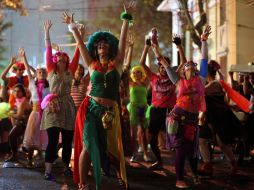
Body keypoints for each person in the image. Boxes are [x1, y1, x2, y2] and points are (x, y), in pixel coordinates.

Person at [63, 1, 135, 189]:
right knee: (88, 145)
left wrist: (126, 18)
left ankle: (121, 177)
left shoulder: (117, 63)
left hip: (110, 111)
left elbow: (123, 38)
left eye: (105, 44)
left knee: (113, 146)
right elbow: (79, 43)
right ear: (96, 49)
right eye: (99, 45)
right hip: (91, 110)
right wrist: (73, 28)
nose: (102, 46)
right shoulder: (91, 64)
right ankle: (83, 183)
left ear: (110, 47)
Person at [156, 26, 211, 188]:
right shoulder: (179, 82)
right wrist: (154, 48)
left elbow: (204, 59)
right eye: (188, 66)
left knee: (192, 152)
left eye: (193, 66)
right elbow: (165, 64)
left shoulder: (200, 80)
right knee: (180, 150)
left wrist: (204, 41)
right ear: (184, 72)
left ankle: (194, 173)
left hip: (193, 120)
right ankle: (179, 179)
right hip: (177, 118)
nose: (191, 67)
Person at [40, 20, 80, 181]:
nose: (61, 61)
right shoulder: (51, 70)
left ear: (67, 61)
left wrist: (79, 36)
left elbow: (78, 52)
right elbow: (48, 51)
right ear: (56, 61)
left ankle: (66, 168)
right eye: (59, 59)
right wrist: (47, 32)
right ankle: (48, 171)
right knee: (53, 140)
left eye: (64, 59)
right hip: (53, 106)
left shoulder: (71, 71)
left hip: (68, 107)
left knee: (68, 140)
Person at [140, 35, 176, 170]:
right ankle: (160, 161)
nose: (162, 68)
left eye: (164, 66)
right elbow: (142, 64)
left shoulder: (174, 78)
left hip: (169, 112)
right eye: (160, 66)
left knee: (175, 140)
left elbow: (183, 63)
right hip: (155, 111)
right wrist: (146, 47)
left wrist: (179, 47)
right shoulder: (153, 77)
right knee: (151, 139)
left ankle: (181, 166)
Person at [20, 48, 50, 166]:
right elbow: (28, 70)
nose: (42, 74)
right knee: (32, 136)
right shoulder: (32, 84)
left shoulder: (49, 86)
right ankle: (30, 158)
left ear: (46, 74)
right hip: (35, 114)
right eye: (39, 72)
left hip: (45, 114)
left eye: (43, 72)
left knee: (42, 138)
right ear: (36, 74)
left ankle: (41, 158)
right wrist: (24, 58)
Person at [128, 65, 150, 162]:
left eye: (138, 72)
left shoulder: (145, 84)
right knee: (133, 134)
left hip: (144, 108)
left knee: (143, 133)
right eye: (134, 72)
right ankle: (134, 154)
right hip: (133, 108)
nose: (136, 74)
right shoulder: (130, 84)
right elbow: (126, 67)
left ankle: (146, 154)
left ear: (142, 73)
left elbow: (148, 70)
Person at [5, 84, 31, 162]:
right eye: (15, 91)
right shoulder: (18, 101)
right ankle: (16, 155)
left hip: (25, 124)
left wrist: (9, 113)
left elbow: (19, 116)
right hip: (21, 124)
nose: (16, 93)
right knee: (13, 137)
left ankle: (15, 156)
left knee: (12, 136)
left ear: (23, 93)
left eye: (19, 91)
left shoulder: (23, 101)